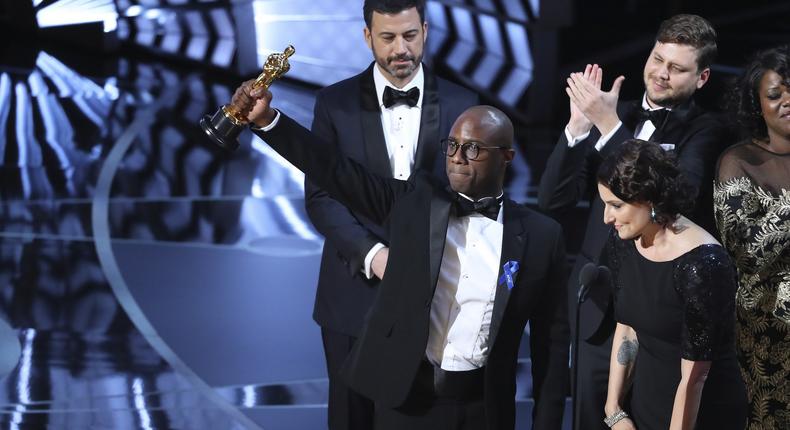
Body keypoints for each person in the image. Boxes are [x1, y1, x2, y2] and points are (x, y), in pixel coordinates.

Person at [231, 80, 569, 429]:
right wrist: (269, 119)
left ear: (506, 157)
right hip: (408, 405)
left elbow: (553, 348)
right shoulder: (417, 204)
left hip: (485, 410)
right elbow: (337, 171)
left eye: (472, 149)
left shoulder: (541, 237)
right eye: (452, 145)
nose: (456, 157)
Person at [537, 14, 727, 429]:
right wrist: (576, 128)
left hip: (661, 318)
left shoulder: (705, 130)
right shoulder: (612, 113)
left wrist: (609, 128)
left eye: (677, 68)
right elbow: (554, 201)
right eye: (658, 59)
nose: (660, 73)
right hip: (600, 307)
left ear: (702, 77)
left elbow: (680, 198)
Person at [305, 1, 478, 427]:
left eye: (410, 36)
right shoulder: (334, 104)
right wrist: (374, 256)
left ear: (425, 30)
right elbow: (321, 197)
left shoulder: (462, 103)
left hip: (433, 301)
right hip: (352, 296)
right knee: (351, 418)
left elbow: (473, 197)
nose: (401, 48)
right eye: (387, 38)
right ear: (367, 37)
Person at [597, 139, 746, 430]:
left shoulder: (702, 264)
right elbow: (627, 328)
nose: (607, 217)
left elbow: (696, 377)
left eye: (615, 205)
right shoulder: (625, 242)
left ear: (649, 198)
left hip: (700, 411)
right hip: (646, 401)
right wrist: (614, 409)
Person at [714, 45, 790, 429]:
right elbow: (746, 254)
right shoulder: (738, 161)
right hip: (768, 334)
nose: (787, 101)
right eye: (775, 95)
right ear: (757, 105)